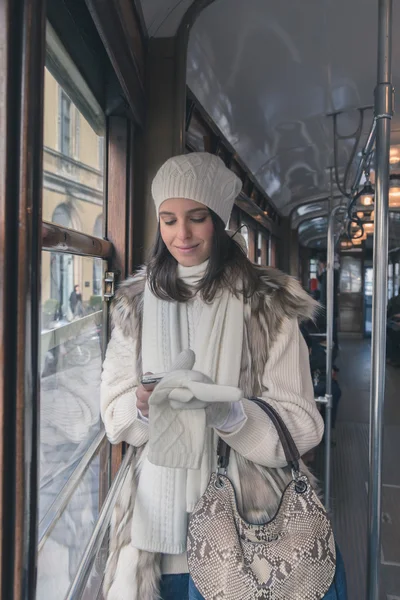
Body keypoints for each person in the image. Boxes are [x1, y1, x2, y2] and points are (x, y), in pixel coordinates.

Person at [100, 152, 346, 600]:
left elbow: (305, 425)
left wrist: (231, 415)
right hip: (156, 536)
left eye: (197, 218)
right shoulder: (134, 304)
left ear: (219, 219)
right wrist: (145, 408)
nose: (182, 234)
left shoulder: (269, 303)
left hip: (249, 531)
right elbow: (114, 413)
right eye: (169, 220)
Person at [317, 257, 340, 347]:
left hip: (329, 304)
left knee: (331, 326)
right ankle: (332, 344)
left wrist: (323, 269)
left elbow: (321, 279)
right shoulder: (328, 273)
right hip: (327, 304)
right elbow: (320, 279)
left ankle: (333, 344)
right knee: (328, 326)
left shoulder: (332, 273)